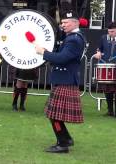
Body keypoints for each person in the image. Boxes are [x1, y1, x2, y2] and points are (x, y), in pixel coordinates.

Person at [35, 11, 85, 153]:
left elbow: (62, 58)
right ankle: (64, 139)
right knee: (54, 115)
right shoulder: (72, 37)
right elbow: (61, 55)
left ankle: (63, 143)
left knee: (54, 115)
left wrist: (43, 53)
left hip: (65, 80)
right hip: (64, 79)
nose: (63, 25)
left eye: (66, 23)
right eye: (62, 23)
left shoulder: (74, 39)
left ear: (75, 23)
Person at [94, 22, 116, 119]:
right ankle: (110, 111)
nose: (110, 33)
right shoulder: (104, 38)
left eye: (112, 31)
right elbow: (99, 49)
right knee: (107, 90)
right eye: (109, 31)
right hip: (106, 67)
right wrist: (98, 53)